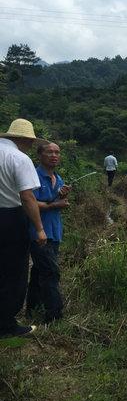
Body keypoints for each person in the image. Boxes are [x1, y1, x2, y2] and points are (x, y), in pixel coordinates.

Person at [0, 119, 47, 338]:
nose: (30, 145)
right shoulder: (19, 158)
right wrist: (39, 228)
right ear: (23, 139)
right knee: (14, 271)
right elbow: (27, 197)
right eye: (30, 141)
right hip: (10, 218)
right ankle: (7, 325)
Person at [26, 142, 71, 324]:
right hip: (39, 233)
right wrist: (54, 204)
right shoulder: (33, 176)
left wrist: (61, 196)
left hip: (54, 232)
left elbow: (53, 203)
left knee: (39, 272)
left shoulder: (57, 178)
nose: (54, 155)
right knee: (51, 272)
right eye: (49, 152)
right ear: (40, 155)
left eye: (57, 152)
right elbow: (28, 202)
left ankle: (32, 309)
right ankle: (54, 316)